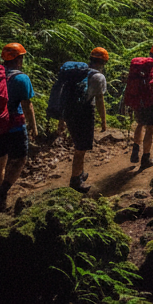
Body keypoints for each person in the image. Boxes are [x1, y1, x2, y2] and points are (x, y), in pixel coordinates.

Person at [0, 43, 37, 214]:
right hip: (15, 126)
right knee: (20, 159)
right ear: (19, 59)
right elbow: (27, 104)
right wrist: (33, 126)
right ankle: (1, 194)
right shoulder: (21, 78)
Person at [64, 47, 108, 194]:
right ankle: (75, 181)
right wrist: (103, 120)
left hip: (70, 112)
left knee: (79, 145)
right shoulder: (98, 77)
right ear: (102, 63)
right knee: (80, 149)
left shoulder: (77, 73)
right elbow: (99, 100)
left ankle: (80, 173)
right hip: (84, 113)